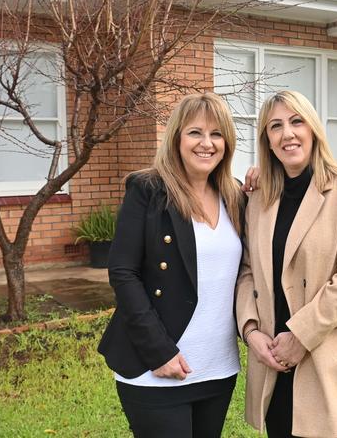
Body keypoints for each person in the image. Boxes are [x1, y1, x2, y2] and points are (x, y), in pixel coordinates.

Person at [98, 93, 245, 437]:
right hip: (156, 368)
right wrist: (159, 352)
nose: (206, 144)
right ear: (177, 137)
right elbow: (123, 272)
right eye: (195, 132)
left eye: (217, 134)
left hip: (217, 368)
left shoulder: (235, 194)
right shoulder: (148, 190)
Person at [236, 90, 337, 438]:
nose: (288, 133)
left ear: (313, 129)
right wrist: (251, 332)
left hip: (325, 350)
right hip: (272, 355)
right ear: (267, 141)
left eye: (296, 121)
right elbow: (247, 270)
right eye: (276, 126)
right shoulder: (258, 198)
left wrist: (300, 336)